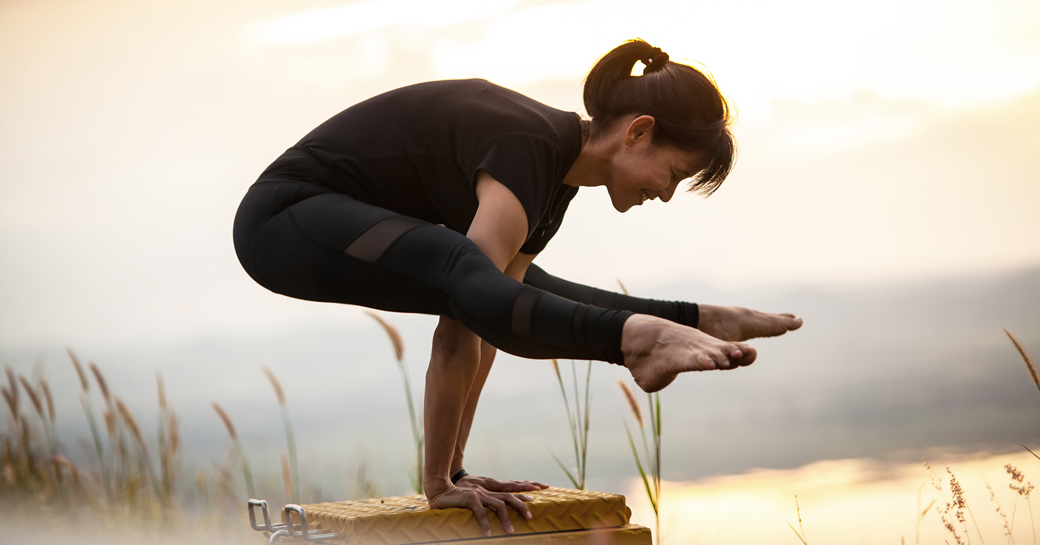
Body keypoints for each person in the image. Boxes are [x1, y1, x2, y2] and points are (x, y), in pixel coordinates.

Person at [232, 39, 802, 536]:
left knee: (512, 283)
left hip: (332, 224)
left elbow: (491, 319)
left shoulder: (553, 181)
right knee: (470, 274)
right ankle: (637, 339)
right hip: (284, 219)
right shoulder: (527, 147)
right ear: (639, 132)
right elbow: (466, 318)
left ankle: (691, 318)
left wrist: (455, 471)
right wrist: (438, 484)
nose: (668, 194)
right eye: (674, 174)